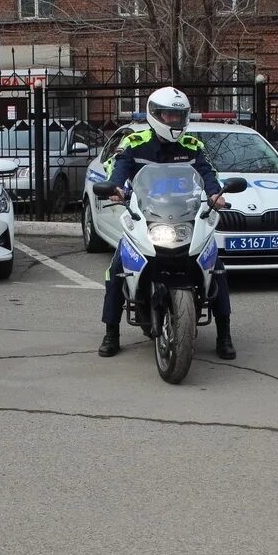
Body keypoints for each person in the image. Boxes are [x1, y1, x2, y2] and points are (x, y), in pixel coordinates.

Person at [99, 86, 236, 360]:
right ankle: (111, 332)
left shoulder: (193, 147)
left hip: (185, 217)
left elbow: (208, 173)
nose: (174, 122)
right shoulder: (135, 144)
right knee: (117, 269)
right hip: (147, 217)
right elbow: (119, 168)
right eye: (169, 116)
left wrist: (214, 194)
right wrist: (114, 187)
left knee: (216, 268)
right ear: (155, 115)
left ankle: (225, 334)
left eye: (179, 116)